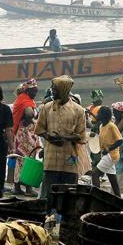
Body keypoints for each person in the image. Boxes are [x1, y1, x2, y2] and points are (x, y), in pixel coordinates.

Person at [35, 75, 86, 204]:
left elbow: (81, 136)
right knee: (48, 196)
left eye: (55, 88)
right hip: (50, 160)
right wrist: (49, 138)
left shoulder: (78, 110)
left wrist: (64, 138)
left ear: (63, 89)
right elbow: (40, 129)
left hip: (69, 161)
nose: (52, 90)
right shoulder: (46, 108)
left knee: (68, 198)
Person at [89, 106, 122, 196]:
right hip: (106, 154)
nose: (97, 115)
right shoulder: (101, 126)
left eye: (99, 113)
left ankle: (96, 196)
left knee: (95, 174)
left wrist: (108, 149)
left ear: (104, 115)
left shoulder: (111, 126)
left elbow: (120, 140)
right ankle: (119, 198)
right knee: (112, 179)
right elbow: (103, 138)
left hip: (111, 155)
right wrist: (94, 135)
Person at [13, 107, 40, 196]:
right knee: (28, 168)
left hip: (22, 150)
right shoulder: (30, 124)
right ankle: (28, 189)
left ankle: (17, 188)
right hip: (26, 150)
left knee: (20, 168)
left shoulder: (20, 123)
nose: (30, 119)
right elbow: (34, 137)